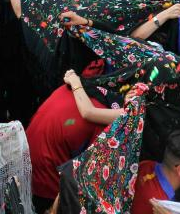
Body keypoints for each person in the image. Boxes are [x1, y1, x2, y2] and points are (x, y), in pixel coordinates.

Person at [27, 70, 126, 213]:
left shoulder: (69, 88)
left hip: (26, 164)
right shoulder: (103, 122)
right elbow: (91, 175)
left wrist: (75, 81)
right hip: (48, 184)